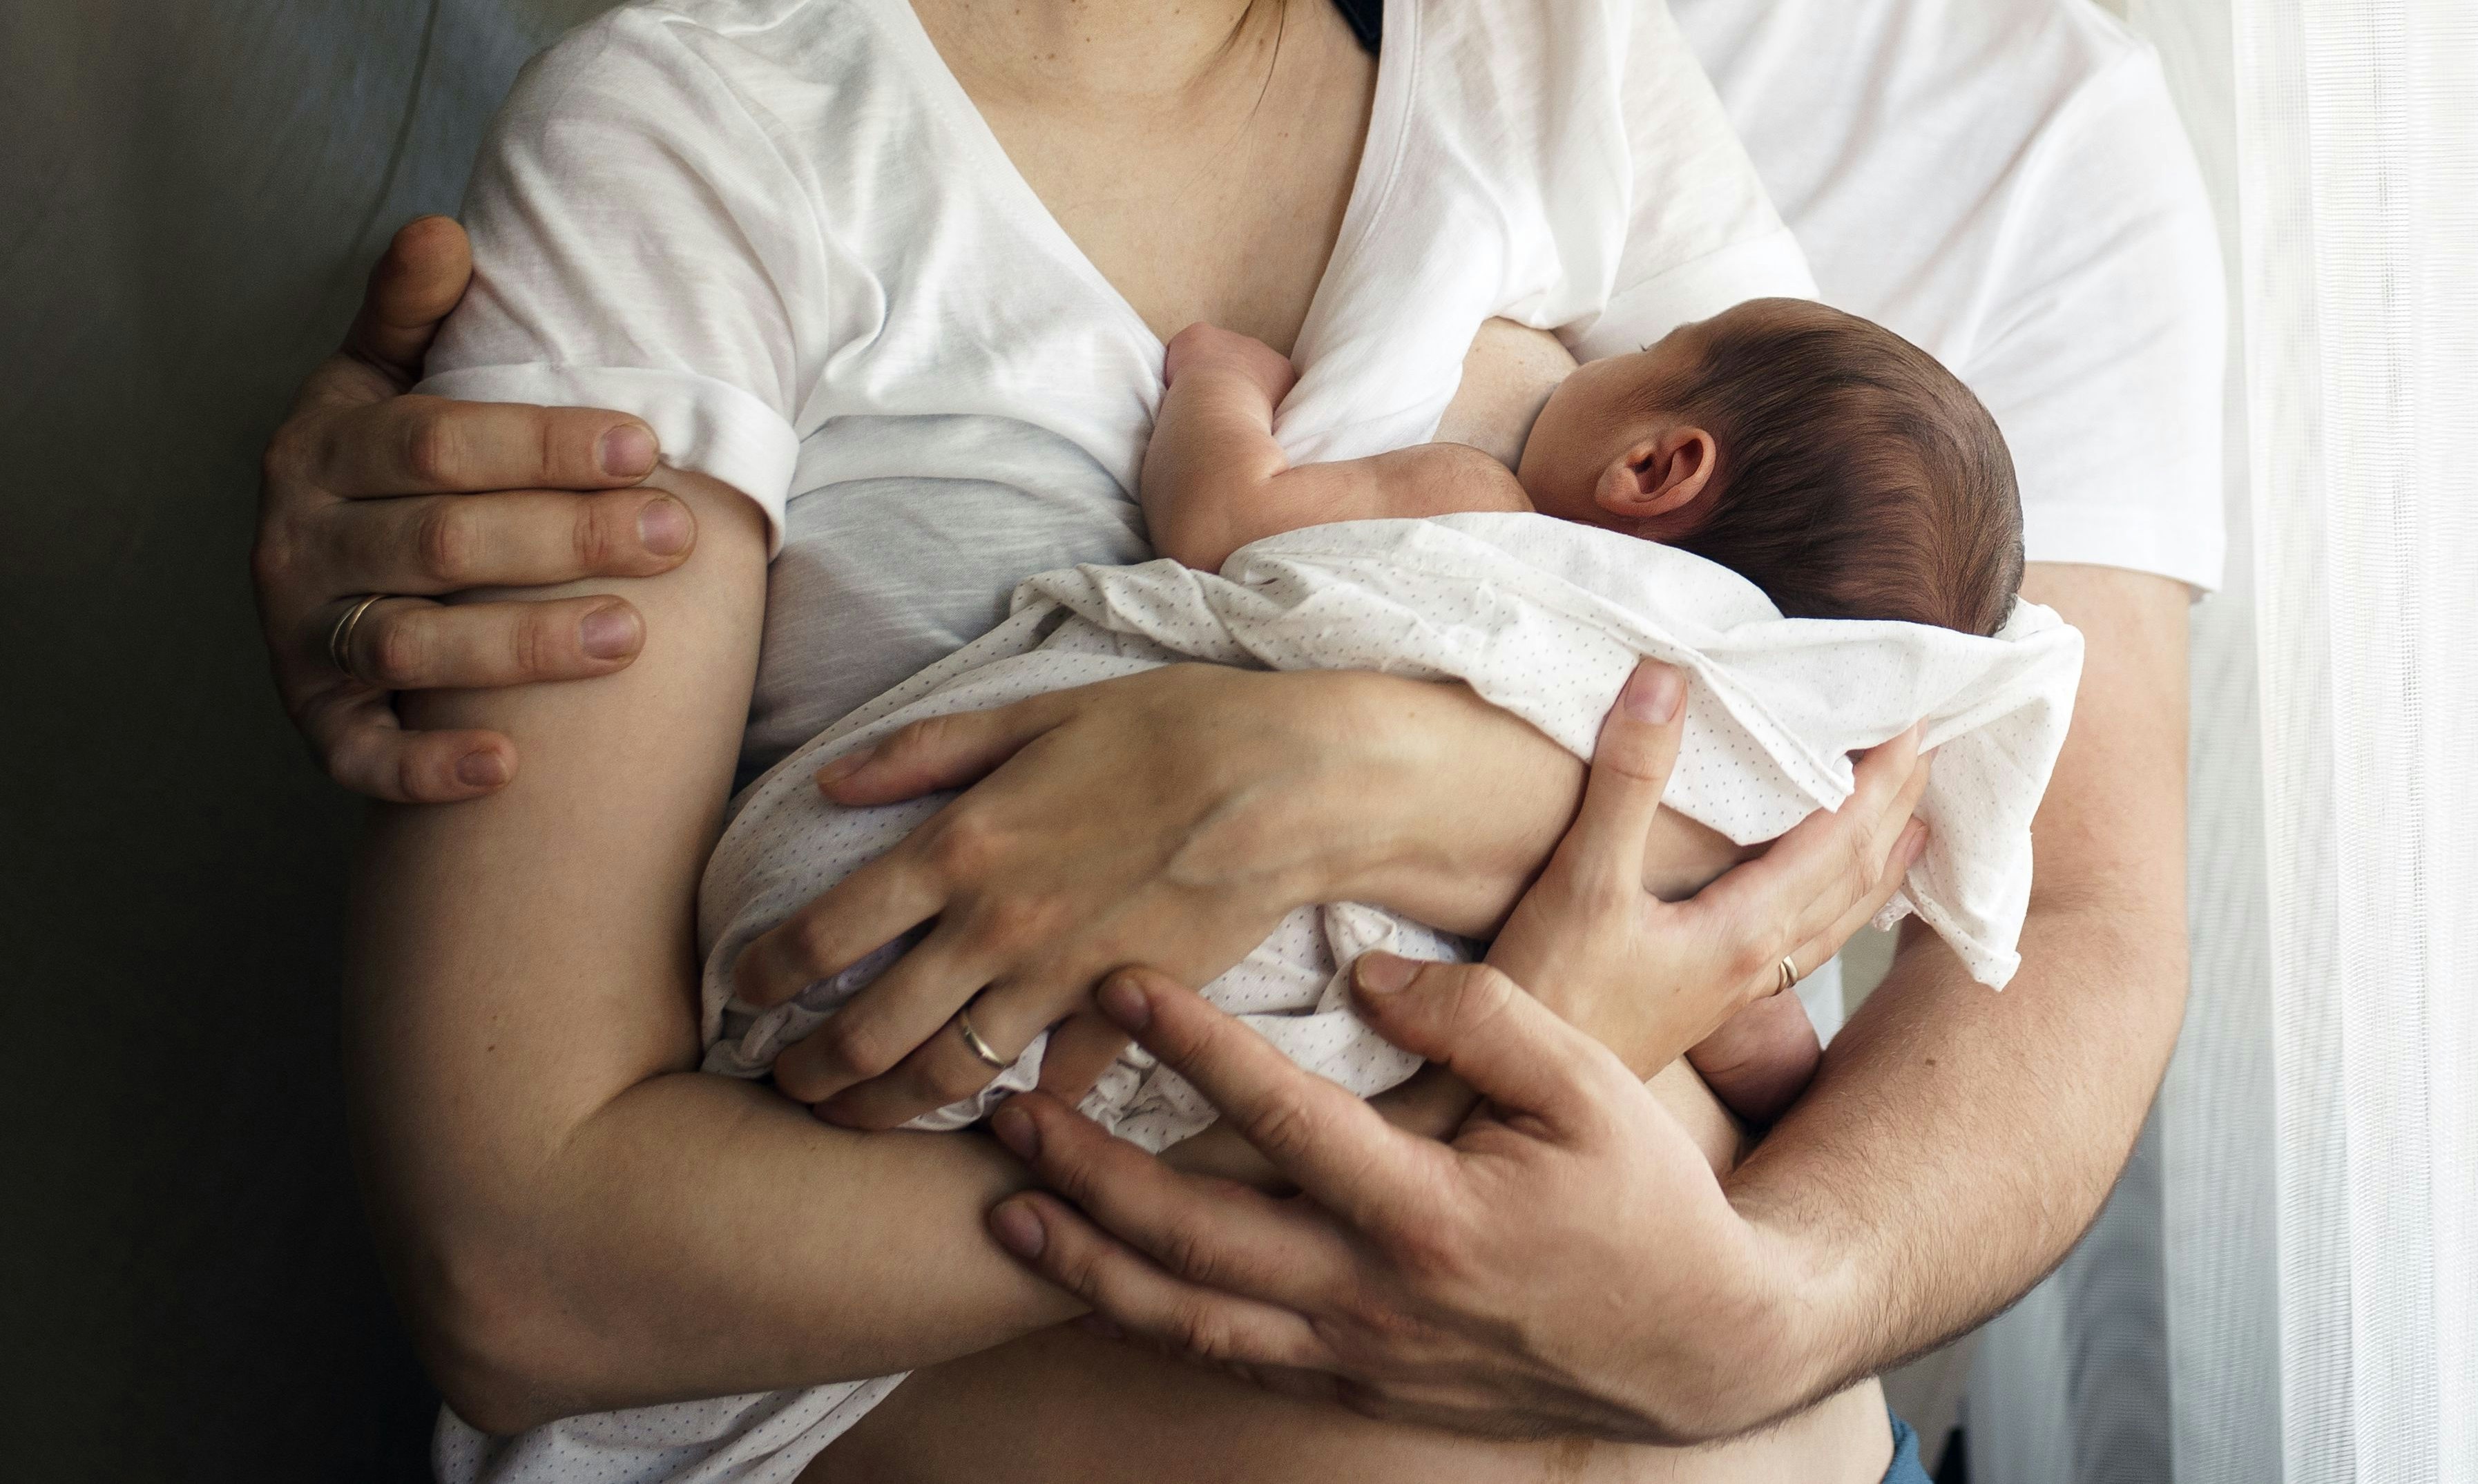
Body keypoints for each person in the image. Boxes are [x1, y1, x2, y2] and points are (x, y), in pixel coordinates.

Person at [251, 0, 2215, 1478]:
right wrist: (1352, 1178)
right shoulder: (705, 134)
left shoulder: (1563, 66)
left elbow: (1871, 771)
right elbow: (521, 1258)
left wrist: (1364, 777)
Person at [1145, 302, 2021, 641]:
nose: (1586, 351)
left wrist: (1222, 381)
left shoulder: (1477, 504)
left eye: (1652, 347)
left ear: (1651, 469)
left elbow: (1218, 522)